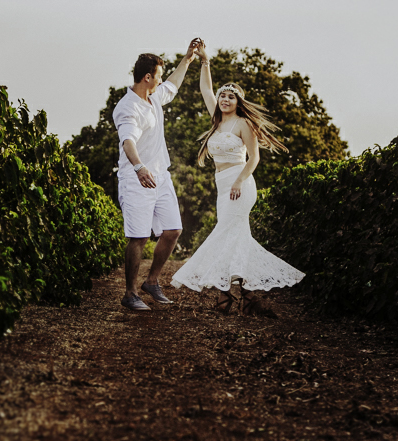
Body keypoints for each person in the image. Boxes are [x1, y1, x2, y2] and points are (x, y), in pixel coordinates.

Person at [169, 42, 305, 315]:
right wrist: (205, 60)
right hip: (222, 185)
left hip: (239, 183)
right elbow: (205, 89)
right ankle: (246, 295)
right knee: (235, 236)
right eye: (223, 96)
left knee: (226, 234)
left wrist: (239, 181)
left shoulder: (244, 124)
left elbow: (254, 158)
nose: (225, 99)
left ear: (238, 102)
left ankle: (226, 294)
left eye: (231, 97)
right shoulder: (217, 122)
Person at [114, 41, 202, 312]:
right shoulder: (128, 107)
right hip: (136, 178)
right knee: (138, 237)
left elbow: (173, 84)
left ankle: (152, 281)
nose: (162, 79)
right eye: (159, 75)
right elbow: (128, 141)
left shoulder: (153, 97)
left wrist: (188, 59)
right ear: (147, 77)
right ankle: (130, 293)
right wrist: (140, 168)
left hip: (161, 176)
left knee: (173, 230)